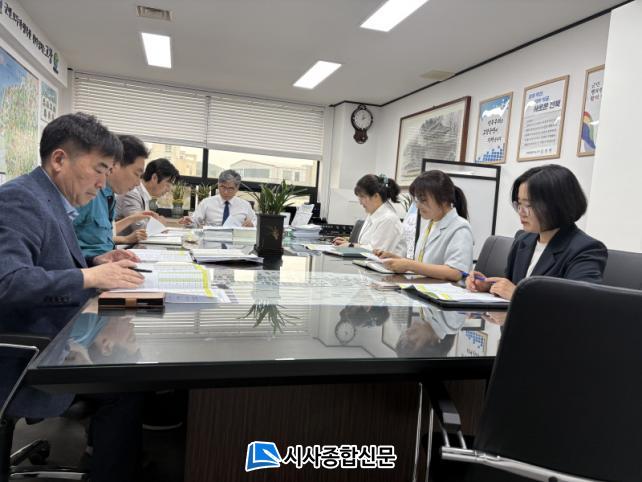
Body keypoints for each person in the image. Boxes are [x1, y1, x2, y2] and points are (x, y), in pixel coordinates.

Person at [0, 112, 145, 482]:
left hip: (52, 338)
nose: (102, 182)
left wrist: (96, 261)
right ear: (60, 159)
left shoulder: (49, 198)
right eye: (98, 169)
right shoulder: (21, 200)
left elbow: (42, 261)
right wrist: (88, 276)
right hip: (23, 358)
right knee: (125, 386)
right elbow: (7, 282)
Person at [466, 164, 608, 300]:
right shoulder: (523, 240)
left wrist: (518, 295)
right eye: (519, 204)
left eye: (529, 205)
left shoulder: (586, 249)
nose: (521, 212)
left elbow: (578, 303)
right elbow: (511, 286)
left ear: (558, 205)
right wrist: (490, 286)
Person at [375, 170, 473, 281]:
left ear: (444, 199)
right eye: (417, 200)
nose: (417, 206)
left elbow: (455, 272)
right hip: (424, 286)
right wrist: (397, 260)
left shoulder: (460, 228)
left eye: (423, 200)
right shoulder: (431, 223)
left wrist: (408, 265)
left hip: (445, 290)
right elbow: (424, 265)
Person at [73, 134, 158, 257]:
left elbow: (103, 235)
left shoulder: (109, 196)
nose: (137, 183)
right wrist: (95, 260)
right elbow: (62, 244)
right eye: (136, 174)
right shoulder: (89, 194)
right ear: (115, 165)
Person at [332, 174, 406, 256]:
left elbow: (377, 252)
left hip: (381, 263)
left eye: (362, 197)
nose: (360, 202)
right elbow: (368, 245)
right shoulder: (372, 214)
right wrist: (349, 244)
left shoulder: (389, 219)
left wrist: (351, 246)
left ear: (376, 196)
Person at [116, 157, 179, 235]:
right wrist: (160, 223)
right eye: (167, 185)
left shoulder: (143, 194)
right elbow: (141, 229)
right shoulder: (132, 193)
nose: (168, 190)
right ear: (154, 178)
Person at [180, 169, 256, 227]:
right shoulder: (206, 202)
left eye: (230, 188)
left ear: (237, 188)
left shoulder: (245, 205)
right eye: (223, 187)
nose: (225, 192)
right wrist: (189, 221)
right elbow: (195, 220)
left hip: (236, 241)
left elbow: (256, 222)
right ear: (218, 185)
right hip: (211, 240)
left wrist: (252, 224)